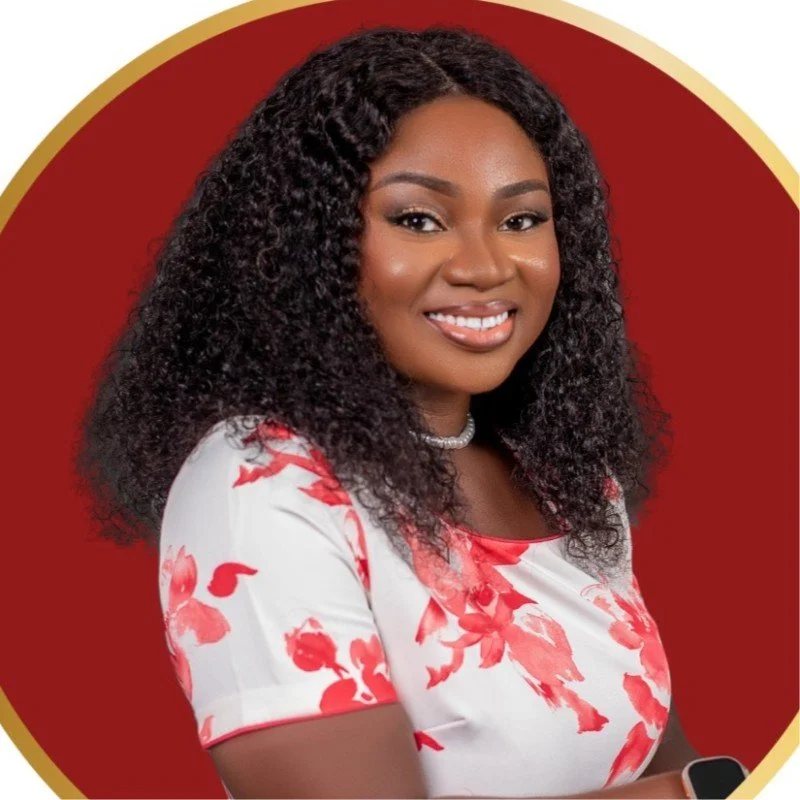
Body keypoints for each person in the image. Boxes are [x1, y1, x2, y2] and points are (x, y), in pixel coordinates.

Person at [77, 25, 712, 799]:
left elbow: (675, 764)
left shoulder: (569, 483)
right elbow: (696, 786)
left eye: (521, 220)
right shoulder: (262, 486)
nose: (484, 266)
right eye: (418, 219)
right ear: (313, 242)